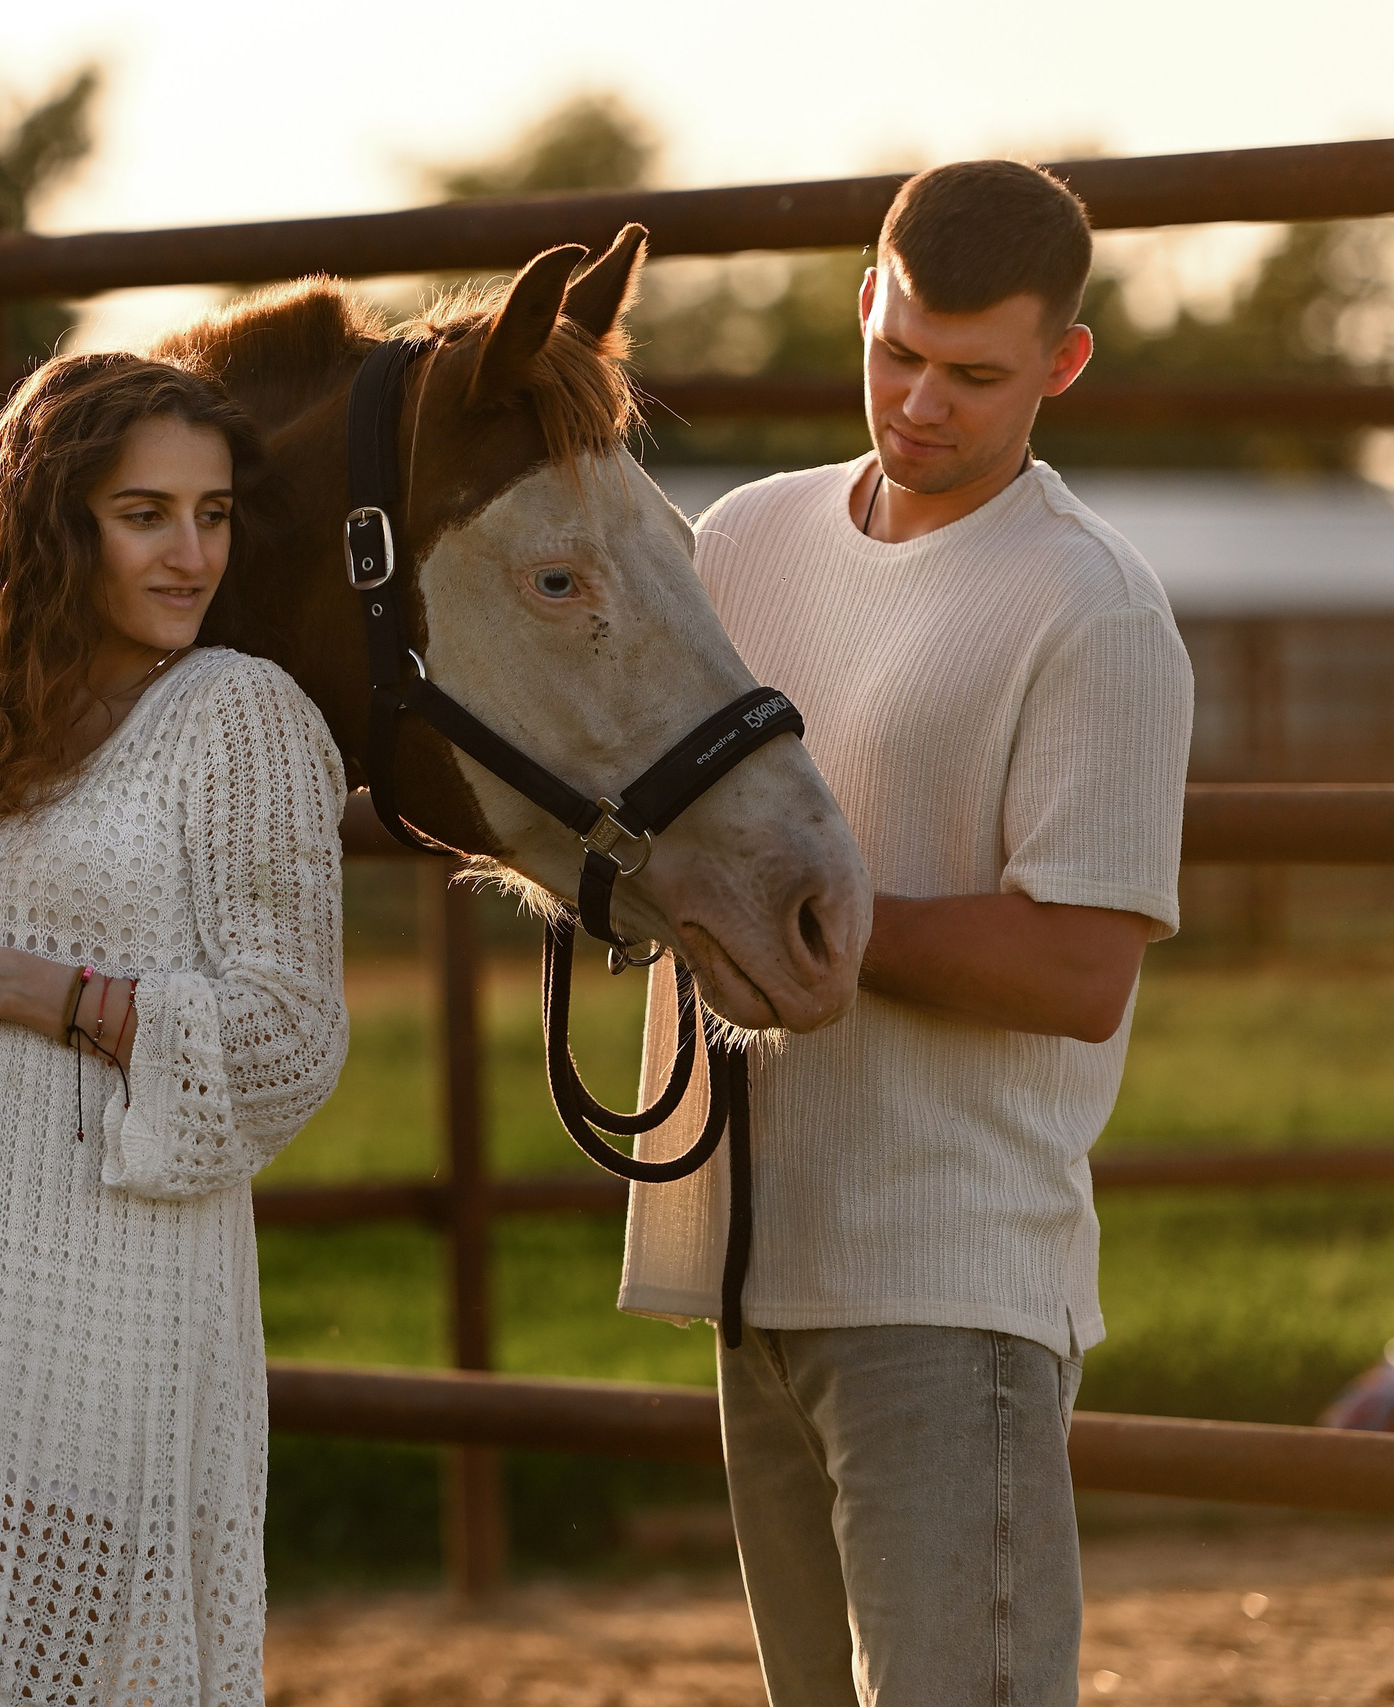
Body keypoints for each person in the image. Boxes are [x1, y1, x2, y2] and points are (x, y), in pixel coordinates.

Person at [618, 160, 1195, 1704]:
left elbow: (1081, 973)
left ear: (1062, 365)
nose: (923, 401)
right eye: (899, 352)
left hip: (951, 1283)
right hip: (752, 1262)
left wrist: (805, 919)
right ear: (864, 299)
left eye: (976, 374)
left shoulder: (1094, 609)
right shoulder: (740, 540)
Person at [0, 352, 350, 1707]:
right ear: (57, 524)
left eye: (212, 514)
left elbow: (286, 1038)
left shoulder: (238, 717)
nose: (190, 552)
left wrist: (32, 990)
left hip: (92, 1301)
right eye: (144, 512)